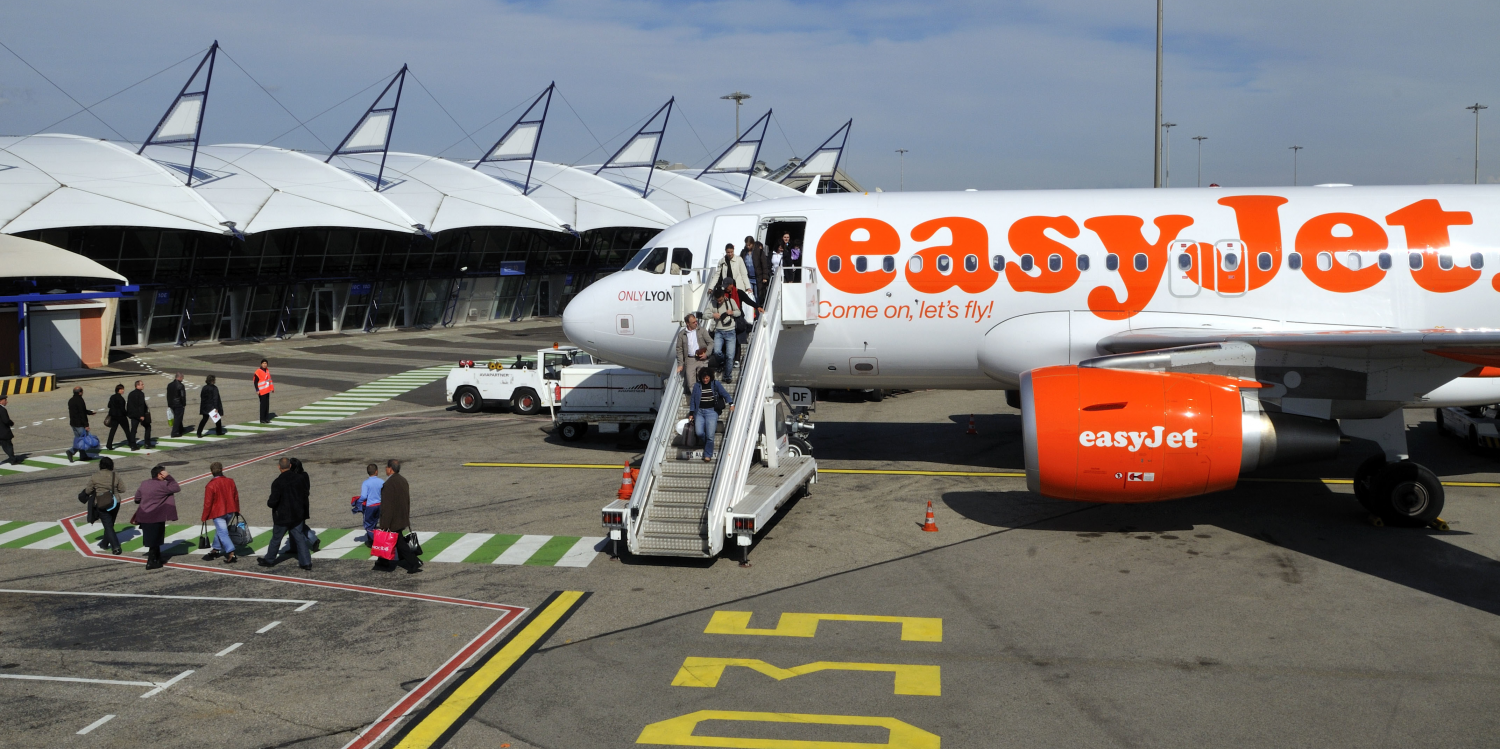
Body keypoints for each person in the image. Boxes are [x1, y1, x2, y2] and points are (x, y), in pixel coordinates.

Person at [260, 457, 311, 570]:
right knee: (300, 539)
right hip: (297, 515)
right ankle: (306, 562)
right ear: (290, 466)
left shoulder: (277, 482)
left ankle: (269, 559)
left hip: (282, 516)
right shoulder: (299, 478)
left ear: (279, 467)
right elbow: (304, 495)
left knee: (276, 539)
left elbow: (272, 502)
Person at [374, 459, 420, 573]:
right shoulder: (403, 480)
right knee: (395, 541)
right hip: (401, 516)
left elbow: (387, 506)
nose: (385, 469)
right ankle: (383, 561)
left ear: (390, 469)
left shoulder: (388, 484)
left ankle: (414, 562)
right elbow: (407, 500)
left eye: (386, 467)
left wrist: (384, 523)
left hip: (393, 519)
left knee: (397, 542)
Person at [132, 465, 180, 570]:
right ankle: (150, 562)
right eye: (164, 473)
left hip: (144, 516)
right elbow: (176, 487)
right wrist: (169, 477)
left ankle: (158, 559)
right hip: (157, 516)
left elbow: (137, 498)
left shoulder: (144, 483)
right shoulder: (163, 485)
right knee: (155, 540)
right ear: (159, 474)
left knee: (154, 538)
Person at [83, 457, 126, 555]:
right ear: (111, 465)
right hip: (115, 502)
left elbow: (88, 491)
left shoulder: (95, 476)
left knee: (108, 525)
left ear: (100, 465)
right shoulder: (116, 475)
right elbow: (122, 489)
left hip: (101, 502)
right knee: (110, 524)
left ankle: (116, 547)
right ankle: (105, 543)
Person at [689, 368, 733, 462]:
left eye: (707, 378)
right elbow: (693, 400)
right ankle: (709, 444)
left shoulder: (715, 384)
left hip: (712, 411)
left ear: (710, 377)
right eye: (703, 378)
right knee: (699, 432)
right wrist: (691, 413)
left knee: (710, 435)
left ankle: (708, 454)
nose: (705, 380)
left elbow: (724, 393)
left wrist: (731, 403)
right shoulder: (697, 385)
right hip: (699, 412)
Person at [201, 461, 240, 563]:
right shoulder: (230, 481)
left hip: (218, 513)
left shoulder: (210, 485)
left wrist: (204, 516)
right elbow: (235, 497)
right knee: (220, 531)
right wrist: (237, 509)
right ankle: (215, 549)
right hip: (230, 510)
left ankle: (231, 552)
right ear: (222, 469)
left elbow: (208, 503)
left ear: (211, 472)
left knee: (222, 532)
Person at [708, 242, 760, 311]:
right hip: (727, 287)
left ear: (733, 250)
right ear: (725, 252)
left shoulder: (739, 259)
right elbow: (717, 275)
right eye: (728, 252)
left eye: (731, 252)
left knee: (739, 305)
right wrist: (711, 287)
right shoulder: (722, 261)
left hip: (738, 287)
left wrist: (748, 287)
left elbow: (744, 274)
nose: (730, 254)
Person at [705, 288, 742, 383]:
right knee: (717, 351)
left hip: (730, 331)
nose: (719, 302)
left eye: (721, 300)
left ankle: (727, 376)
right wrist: (713, 315)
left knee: (730, 356)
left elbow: (739, 312)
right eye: (718, 300)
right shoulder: (713, 303)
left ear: (724, 296)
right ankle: (722, 362)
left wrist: (732, 312)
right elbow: (705, 315)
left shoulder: (731, 301)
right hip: (719, 332)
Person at [675, 313, 712, 394]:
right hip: (690, 359)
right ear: (687, 323)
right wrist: (680, 364)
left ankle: (703, 398)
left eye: (696, 321)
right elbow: (679, 349)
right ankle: (696, 399)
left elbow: (711, 343)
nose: (696, 323)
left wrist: (707, 354)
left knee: (703, 379)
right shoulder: (682, 334)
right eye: (693, 322)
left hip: (702, 358)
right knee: (691, 382)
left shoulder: (701, 331)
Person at [353, 462, 383, 544]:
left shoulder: (365, 483)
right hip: (380, 505)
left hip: (370, 506)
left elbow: (363, 496)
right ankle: (372, 540)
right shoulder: (381, 481)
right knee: (374, 522)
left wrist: (358, 502)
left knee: (368, 525)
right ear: (376, 471)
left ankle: (376, 540)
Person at [66, 386, 96, 463]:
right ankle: (71, 451)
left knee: (79, 440)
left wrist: (90, 412)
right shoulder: (80, 400)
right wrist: (86, 425)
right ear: (80, 393)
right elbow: (82, 413)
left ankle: (83, 456)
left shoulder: (71, 400)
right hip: (80, 424)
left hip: (73, 423)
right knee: (83, 440)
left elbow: (79, 411)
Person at [125, 380, 152, 450]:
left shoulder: (131, 393)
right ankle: (147, 443)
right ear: (137, 386)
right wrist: (142, 415)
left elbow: (129, 405)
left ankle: (133, 445)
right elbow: (141, 405)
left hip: (133, 415)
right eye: (142, 384)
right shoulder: (141, 394)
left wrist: (129, 414)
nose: (143, 385)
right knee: (148, 427)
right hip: (139, 414)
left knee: (133, 430)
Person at [105, 384, 128, 450]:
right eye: (122, 389)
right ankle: (132, 443)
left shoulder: (112, 397)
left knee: (113, 430)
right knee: (126, 430)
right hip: (121, 416)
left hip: (113, 416)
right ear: (119, 390)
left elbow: (109, 405)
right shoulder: (121, 399)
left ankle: (109, 444)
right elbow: (122, 409)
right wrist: (127, 414)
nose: (123, 391)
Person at [253, 359, 275, 423]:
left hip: (267, 390)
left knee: (267, 405)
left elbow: (269, 380)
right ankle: (262, 419)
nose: (264, 364)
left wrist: (272, 388)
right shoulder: (258, 371)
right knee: (263, 405)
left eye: (266, 363)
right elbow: (255, 381)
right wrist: (257, 389)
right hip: (261, 391)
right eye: (263, 363)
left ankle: (266, 418)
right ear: (261, 364)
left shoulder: (267, 371)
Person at [166, 373, 186, 438]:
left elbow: (168, 395)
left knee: (177, 417)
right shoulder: (180, 385)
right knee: (178, 418)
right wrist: (183, 404)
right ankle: (174, 432)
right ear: (179, 377)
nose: (182, 379)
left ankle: (180, 429)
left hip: (171, 403)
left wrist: (169, 403)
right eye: (182, 378)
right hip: (178, 404)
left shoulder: (170, 385)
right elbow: (182, 396)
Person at [0, 394, 14, 465]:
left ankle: (12, 458)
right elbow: (6, 420)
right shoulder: (2, 410)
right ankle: (13, 460)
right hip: (4, 432)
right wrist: (11, 423)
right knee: (8, 446)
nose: (6, 402)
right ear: (1, 401)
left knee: (5, 446)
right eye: (5, 400)